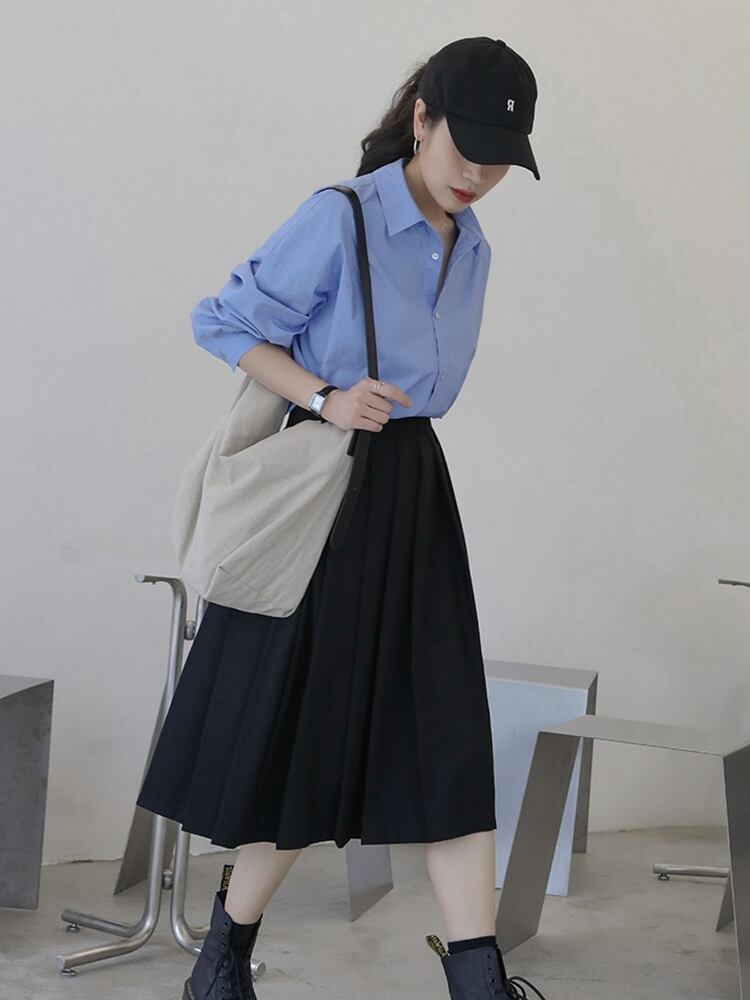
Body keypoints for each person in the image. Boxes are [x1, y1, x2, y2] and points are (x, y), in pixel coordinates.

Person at [136, 35, 547, 1000]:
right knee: (298, 737)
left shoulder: (474, 247)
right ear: (422, 119)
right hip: (326, 494)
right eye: (466, 149)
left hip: (415, 495)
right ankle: (222, 961)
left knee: (448, 736)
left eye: (499, 161)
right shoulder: (342, 217)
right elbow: (222, 320)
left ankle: (479, 980)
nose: (478, 175)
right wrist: (324, 395)